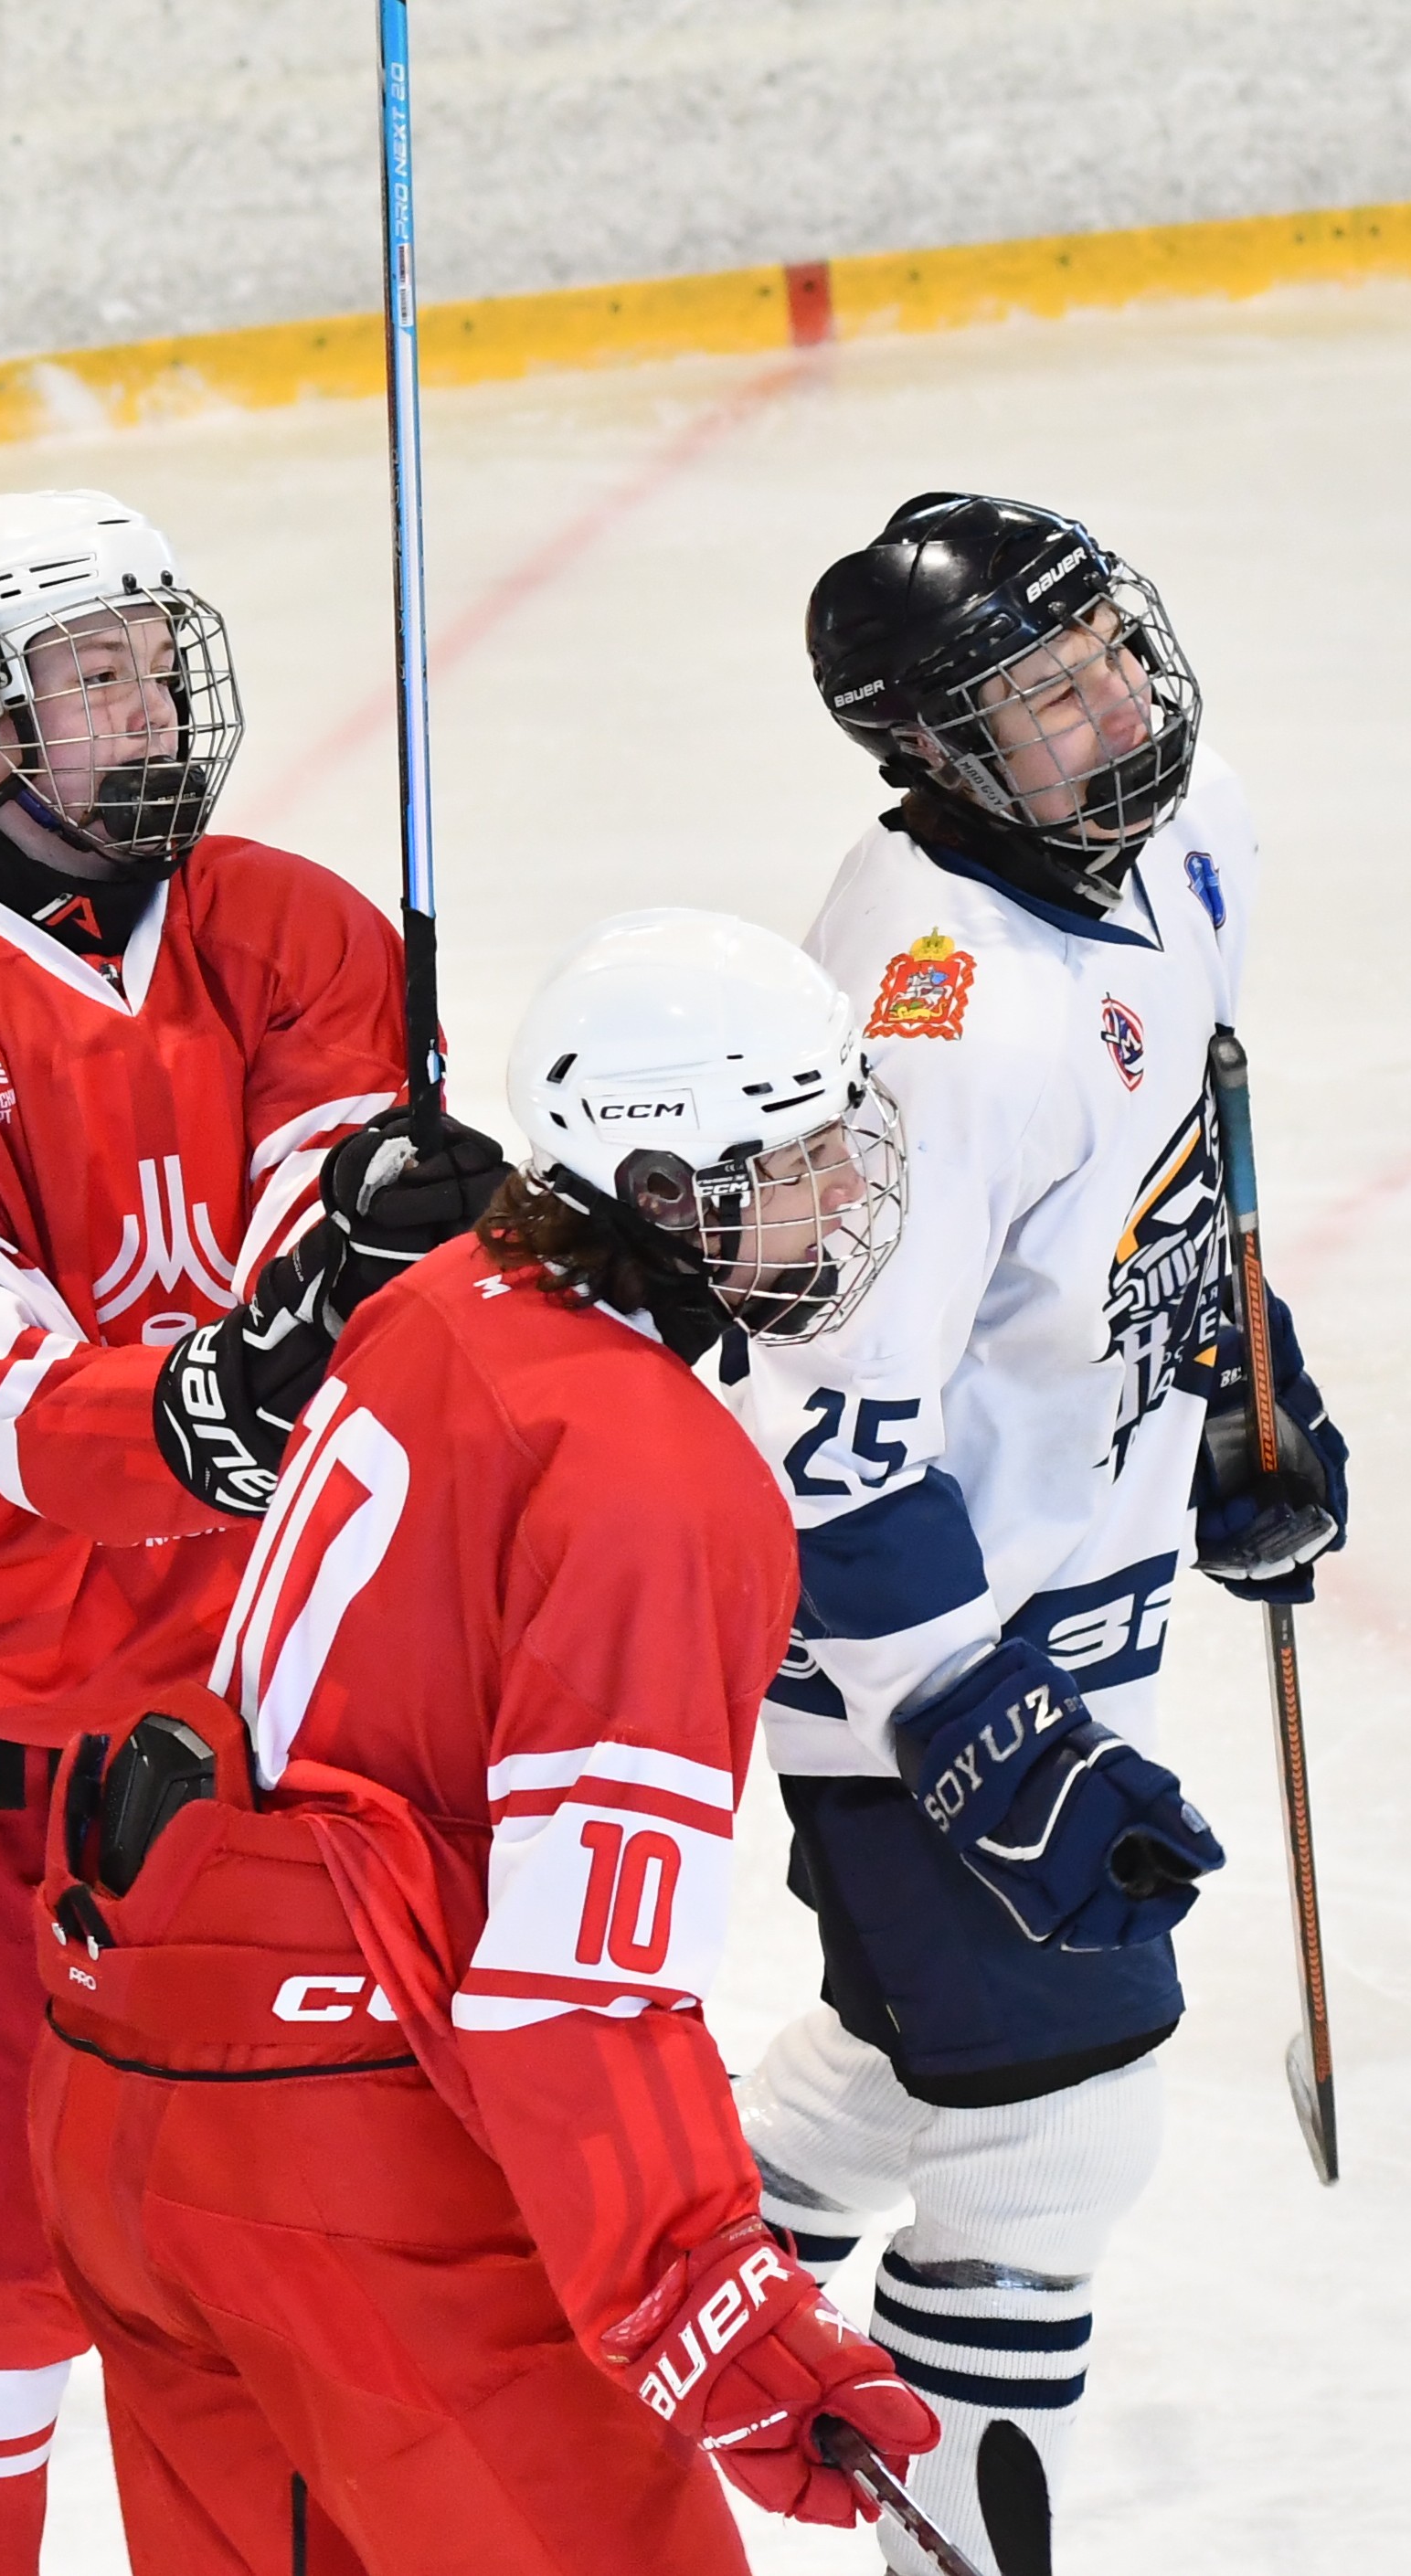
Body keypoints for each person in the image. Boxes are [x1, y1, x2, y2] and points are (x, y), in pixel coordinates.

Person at [0, 488, 504, 2575]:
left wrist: (362, 1268)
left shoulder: (286, 922)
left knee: (286, 2220)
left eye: (155, 658)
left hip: (241, 1679)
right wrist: (226, 1392)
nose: (152, 703)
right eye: (91, 673)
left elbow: (313, 1186)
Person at [29, 910, 940, 2574]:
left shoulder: (443, 1300)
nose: (841, 1194)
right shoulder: (654, 1475)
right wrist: (707, 2313)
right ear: (664, 1194)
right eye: (798, 1154)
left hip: (129, 2112)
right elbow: (571, 1985)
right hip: (354, 2181)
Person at [727, 494, 1344, 2575]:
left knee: (933, 2058)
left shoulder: (1198, 827)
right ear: (934, 754)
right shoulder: (918, 1032)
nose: (1116, 707)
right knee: (1062, 2109)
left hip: (1066, 1595)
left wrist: (1244, 1375)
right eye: (1043, 697)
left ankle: (609, 2304)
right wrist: (982, 1730)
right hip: (902, 1651)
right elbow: (807, 1439)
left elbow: (1188, 1137)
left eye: (1107, 649)